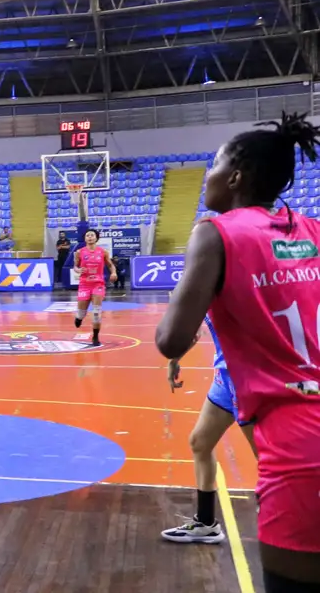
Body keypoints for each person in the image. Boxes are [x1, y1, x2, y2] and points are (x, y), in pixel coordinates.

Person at [155, 113, 320, 592]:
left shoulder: (215, 232)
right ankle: (206, 519)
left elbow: (170, 338)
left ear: (235, 177)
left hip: (297, 437)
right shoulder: (312, 229)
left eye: (214, 164)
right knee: (200, 441)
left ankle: (210, 519)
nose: (207, 175)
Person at [161, 314, 257, 544]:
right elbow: (193, 329)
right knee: (200, 442)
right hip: (225, 376)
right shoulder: (206, 294)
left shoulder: (238, 293)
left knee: (269, 459)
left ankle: (300, 526)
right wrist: (175, 359)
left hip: (247, 377)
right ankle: (206, 523)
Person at [72, 229, 117, 346]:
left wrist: (113, 273)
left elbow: (110, 265)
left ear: (96, 238)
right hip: (84, 284)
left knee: (96, 312)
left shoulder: (103, 252)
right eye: (88, 235)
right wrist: (78, 270)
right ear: (85, 238)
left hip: (98, 284)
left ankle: (95, 336)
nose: (90, 237)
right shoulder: (79, 252)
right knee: (81, 313)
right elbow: (75, 267)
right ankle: (79, 318)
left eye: (92, 235)